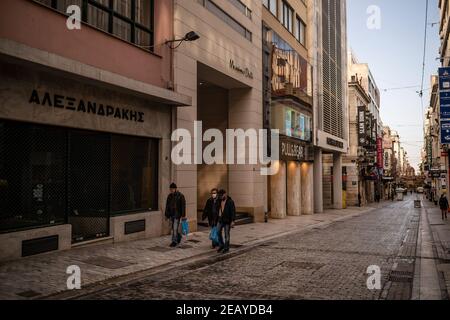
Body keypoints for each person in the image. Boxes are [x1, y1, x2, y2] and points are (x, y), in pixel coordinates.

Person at [164, 183, 186, 247]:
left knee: (175, 228)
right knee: (174, 228)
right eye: (170, 189)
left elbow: (183, 206)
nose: (171, 190)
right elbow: (167, 206)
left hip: (177, 215)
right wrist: (166, 215)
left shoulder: (180, 196)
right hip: (171, 215)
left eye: (172, 189)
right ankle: (178, 237)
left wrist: (183, 215)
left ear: (175, 189)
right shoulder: (169, 196)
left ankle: (174, 241)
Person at [216, 189, 236, 254]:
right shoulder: (219, 200)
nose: (220, 197)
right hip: (220, 220)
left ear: (225, 194)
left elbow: (233, 211)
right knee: (218, 232)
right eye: (219, 196)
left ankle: (226, 247)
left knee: (226, 234)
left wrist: (233, 221)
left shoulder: (230, 201)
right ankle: (221, 245)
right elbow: (216, 208)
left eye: (221, 196)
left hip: (227, 221)